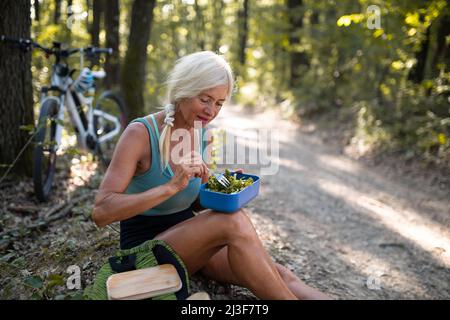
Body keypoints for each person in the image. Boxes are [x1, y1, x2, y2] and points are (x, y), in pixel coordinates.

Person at [92, 51, 330, 300]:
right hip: (144, 252)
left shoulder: (202, 134)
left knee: (278, 274)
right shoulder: (140, 133)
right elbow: (101, 212)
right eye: (205, 99)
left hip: (189, 243)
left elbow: (195, 204)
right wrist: (170, 187)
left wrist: (216, 187)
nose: (211, 111)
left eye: (219, 103)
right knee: (232, 221)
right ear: (183, 90)